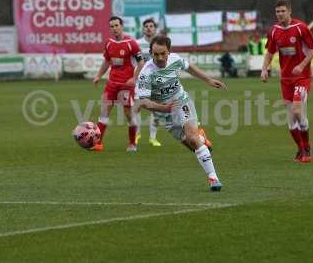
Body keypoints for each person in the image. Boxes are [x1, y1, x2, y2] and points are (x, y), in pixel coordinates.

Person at [136, 35, 227, 191]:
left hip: (181, 101)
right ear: (150, 53)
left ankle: (213, 178)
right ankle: (200, 137)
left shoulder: (175, 59)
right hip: (164, 112)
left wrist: (209, 80)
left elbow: (189, 67)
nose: (159, 57)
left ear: (169, 52)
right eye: (155, 54)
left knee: (192, 138)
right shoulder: (146, 74)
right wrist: (163, 108)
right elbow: (143, 102)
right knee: (191, 143)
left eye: (163, 53)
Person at [261, 0, 313, 163]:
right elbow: (270, 52)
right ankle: (300, 150)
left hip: (302, 77)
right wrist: (265, 69)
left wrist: (301, 65)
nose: (280, 14)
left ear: (289, 11)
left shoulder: (301, 28)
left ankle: (307, 149)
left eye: (283, 11)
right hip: (285, 79)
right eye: (277, 11)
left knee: (298, 110)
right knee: (291, 119)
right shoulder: (274, 31)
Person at [92, 16, 145, 152]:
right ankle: (98, 143)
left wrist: (134, 78)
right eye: (112, 26)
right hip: (112, 83)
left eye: (116, 25)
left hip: (126, 85)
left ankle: (132, 143)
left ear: (121, 26)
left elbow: (141, 62)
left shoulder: (131, 43)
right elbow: (107, 61)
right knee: (104, 111)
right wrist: (98, 75)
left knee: (128, 115)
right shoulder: (109, 43)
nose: (114, 28)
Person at [135, 18, 162, 147]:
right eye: (146, 26)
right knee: (137, 107)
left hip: (156, 81)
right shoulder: (137, 43)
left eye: (151, 26)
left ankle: (153, 137)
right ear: (143, 29)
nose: (149, 28)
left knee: (156, 109)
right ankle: (137, 134)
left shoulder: (160, 43)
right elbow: (133, 61)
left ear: (155, 28)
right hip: (140, 80)